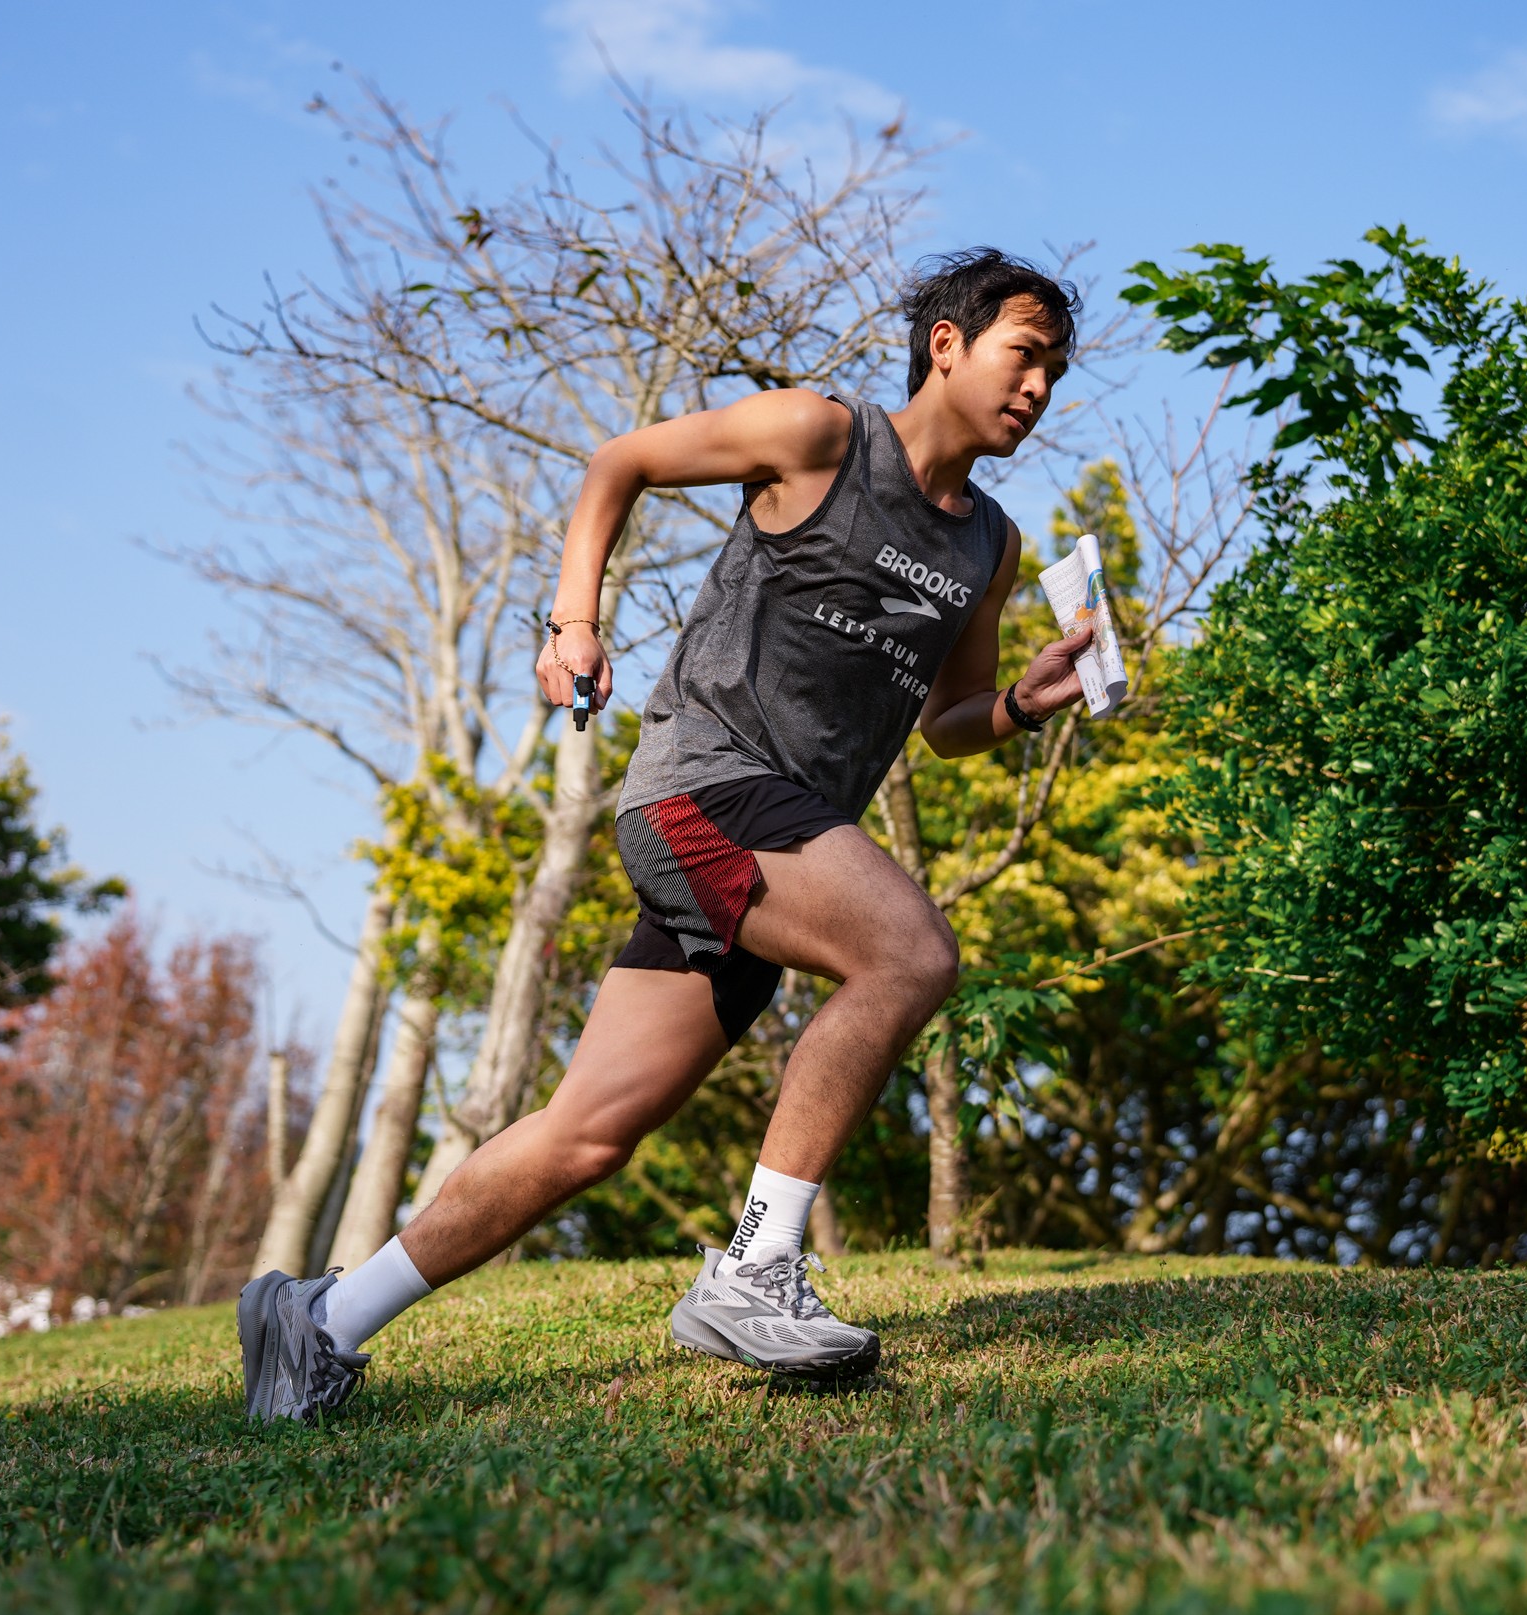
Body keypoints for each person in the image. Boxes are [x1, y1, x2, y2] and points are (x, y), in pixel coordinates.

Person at [239, 248, 1095, 1422]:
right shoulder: (819, 436)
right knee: (909, 954)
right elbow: (620, 462)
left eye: (1054, 369)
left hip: (778, 841)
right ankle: (755, 1268)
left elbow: (945, 721)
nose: (1038, 387)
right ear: (946, 345)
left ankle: (317, 1321)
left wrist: (1017, 704)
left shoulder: (986, 550)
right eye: (1023, 353)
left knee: (584, 1136)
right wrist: (573, 623)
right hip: (707, 786)